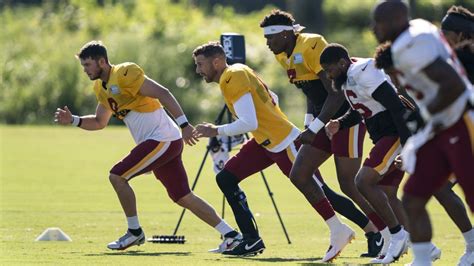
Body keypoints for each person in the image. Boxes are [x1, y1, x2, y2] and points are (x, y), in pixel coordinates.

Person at [54, 40, 242, 252]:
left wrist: (184, 125)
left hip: (161, 138)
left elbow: (163, 93)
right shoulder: (101, 87)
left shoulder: (125, 73)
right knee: (183, 196)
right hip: (159, 142)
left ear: (102, 61)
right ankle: (232, 235)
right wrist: (73, 120)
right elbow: (99, 122)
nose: (85, 70)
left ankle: (134, 232)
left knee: (117, 176)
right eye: (83, 66)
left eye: (88, 65)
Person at [192, 41, 354, 261]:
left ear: (217, 61)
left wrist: (216, 130)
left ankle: (351, 229)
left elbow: (248, 122)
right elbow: (273, 98)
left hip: (283, 141)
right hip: (266, 141)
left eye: (201, 64)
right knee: (226, 178)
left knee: (314, 188)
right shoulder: (239, 71)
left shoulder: (232, 77)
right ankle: (250, 239)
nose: (198, 70)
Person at [259, 10, 388, 258]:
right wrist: (310, 124)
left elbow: (336, 92)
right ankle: (340, 229)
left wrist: (316, 127)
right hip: (323, 119)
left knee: (350, 184)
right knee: (299, 174)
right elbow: (312, 93)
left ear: (286, 33)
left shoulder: (311, 44)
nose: (267, 43)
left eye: (270, 38)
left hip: (346, 118)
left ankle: (387, 232)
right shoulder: (284, 56)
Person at [372, 1, 474, 265]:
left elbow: (452, 87)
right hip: (444, 124)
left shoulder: (410, 46)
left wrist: (423, 124)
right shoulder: (418, 28)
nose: (373, 29)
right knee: (414, 197)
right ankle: (422, 261)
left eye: (378, 22)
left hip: (461, 121)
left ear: (395, 20)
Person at [320, 43, 411, 264]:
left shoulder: (363, 71)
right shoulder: (350, 76)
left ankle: (397, 235)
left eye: (330, 70)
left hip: (395, 133)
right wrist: (340, 123)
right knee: (386, 192)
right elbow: (363, 109)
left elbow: (396, 106)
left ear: (342, 63)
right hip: (384, 135)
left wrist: (409, 146)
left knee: (362, 181)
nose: (329, 75)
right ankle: (423, 246)